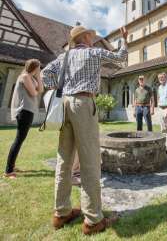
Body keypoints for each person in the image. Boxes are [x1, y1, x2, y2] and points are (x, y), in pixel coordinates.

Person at [42, 25, 128, 235]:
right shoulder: (94, 52)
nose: (93, 38)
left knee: (65, 159)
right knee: (89, 160)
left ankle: (61, 213)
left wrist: (60, 88)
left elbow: (45, 74)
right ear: (86, 37)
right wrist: (124, 40)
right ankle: (93, 220)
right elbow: (119, 58)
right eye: (92, 35)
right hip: (83, 102)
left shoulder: (65, 56)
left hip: (66, 104)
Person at [4, 59, 43, 179]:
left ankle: (12, 166)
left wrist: (38, 78)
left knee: (20, 139)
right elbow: (34, 93)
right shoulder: (25, 76)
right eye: (39, 68)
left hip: (28, 110)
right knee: (19, 140)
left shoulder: (32, 78)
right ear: (34, 67)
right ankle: (8, 171)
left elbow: (40, 90)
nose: (39, 70)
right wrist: (36, 82)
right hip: (24, 111)